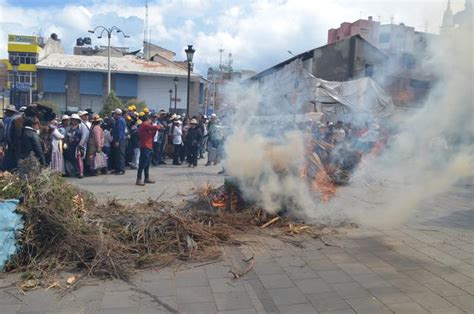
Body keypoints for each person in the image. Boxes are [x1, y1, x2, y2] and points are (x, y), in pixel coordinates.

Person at [136, 115, 161, 186]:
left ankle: (146, 178)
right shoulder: (144, 124)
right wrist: (158, 127)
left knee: (147, 164)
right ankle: (139, 178)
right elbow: (154, 127)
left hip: (149, 146)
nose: (153, 120)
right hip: (145, 146)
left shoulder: (147, 126)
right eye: (152, 118)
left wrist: (156, 129)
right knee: (142, 163)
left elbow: (152, 134)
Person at [112, 108, 127, 175]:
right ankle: (117, 169)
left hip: (120, 141)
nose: (113, 115)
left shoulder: (120, 121)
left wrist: (117, 141)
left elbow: (120, 132)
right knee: (117, 155)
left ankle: (121, 169)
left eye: (114, 114)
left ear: (117, 114)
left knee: (120, 155)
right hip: (119, 140)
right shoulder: (119, 120)